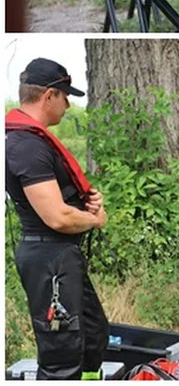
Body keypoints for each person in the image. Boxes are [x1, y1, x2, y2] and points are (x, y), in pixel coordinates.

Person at [5, 59, 109, 379]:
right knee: (61, 354)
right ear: (49, 95)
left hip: (62, 256)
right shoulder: (25, 146)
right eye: (65, 97)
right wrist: (95, 220)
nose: (68, 104)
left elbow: (62, 203)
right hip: (48, 257)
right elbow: (57, 218)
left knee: (92, 336)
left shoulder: (34, 140)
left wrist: (86, 204)